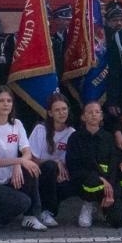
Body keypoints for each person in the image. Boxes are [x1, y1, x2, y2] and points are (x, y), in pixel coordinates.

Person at [0, 85, 48, 231]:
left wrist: (18, 164)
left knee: (31, 168)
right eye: (1, 101)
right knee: (23, 202)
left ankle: (31, 217)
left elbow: (27, 152)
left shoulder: (17, 124)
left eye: (9, 101)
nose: (6, 104)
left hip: (10, 179)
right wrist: (19, 161)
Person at [66, 100, 122, 228]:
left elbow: (113, 165)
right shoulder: (75, 138)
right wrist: (99, 179)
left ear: (101, 116)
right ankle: (88, 204)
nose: (94, 115)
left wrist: (111, 192)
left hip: (107, 185)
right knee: (92, 182)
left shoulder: (108, 138)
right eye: (90, 112)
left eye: (97, 112)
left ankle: (102, 208)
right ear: (83, 117)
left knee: (118, 221)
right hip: (85, 182)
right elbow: (74, 166)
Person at [26, 92, 74, 225]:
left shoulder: (72, 133)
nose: (61, 113)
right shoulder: (40, 130)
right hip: (39, 173)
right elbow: (32, 160)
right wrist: (54, 162)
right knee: (50, 167)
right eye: (57, 110)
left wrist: (62, 170)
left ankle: (49, 212)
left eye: (64, 109)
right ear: (50, 113)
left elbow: (71, 162)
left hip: (61, 175)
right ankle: (45, 211)